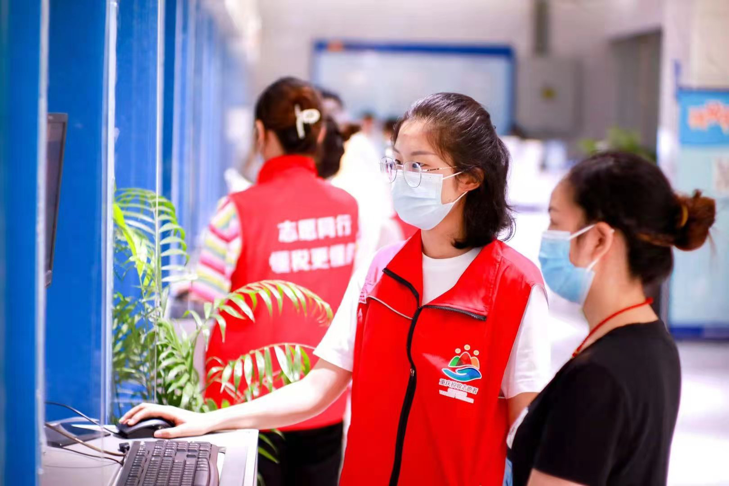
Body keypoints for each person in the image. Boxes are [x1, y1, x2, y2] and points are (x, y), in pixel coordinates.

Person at [122, 93, 551, 485]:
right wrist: (208, 420)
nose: (404, 178)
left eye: (420, 166)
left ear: (469, 179)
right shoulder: (379, 273)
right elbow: (317, 389)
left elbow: (527, 433)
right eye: (398, 163)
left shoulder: (515, 287)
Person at [187, 77, 359, 486]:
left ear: (261, 132)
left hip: (245, 408)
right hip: (323, 401)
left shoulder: (236, 210)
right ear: (319, 134)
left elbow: (201, 311)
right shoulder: (347, 209)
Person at [507, 151, 716, 486]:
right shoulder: (654, 342)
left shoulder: (597, 378)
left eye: (555, 222)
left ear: (599, 239)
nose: (547, 236)